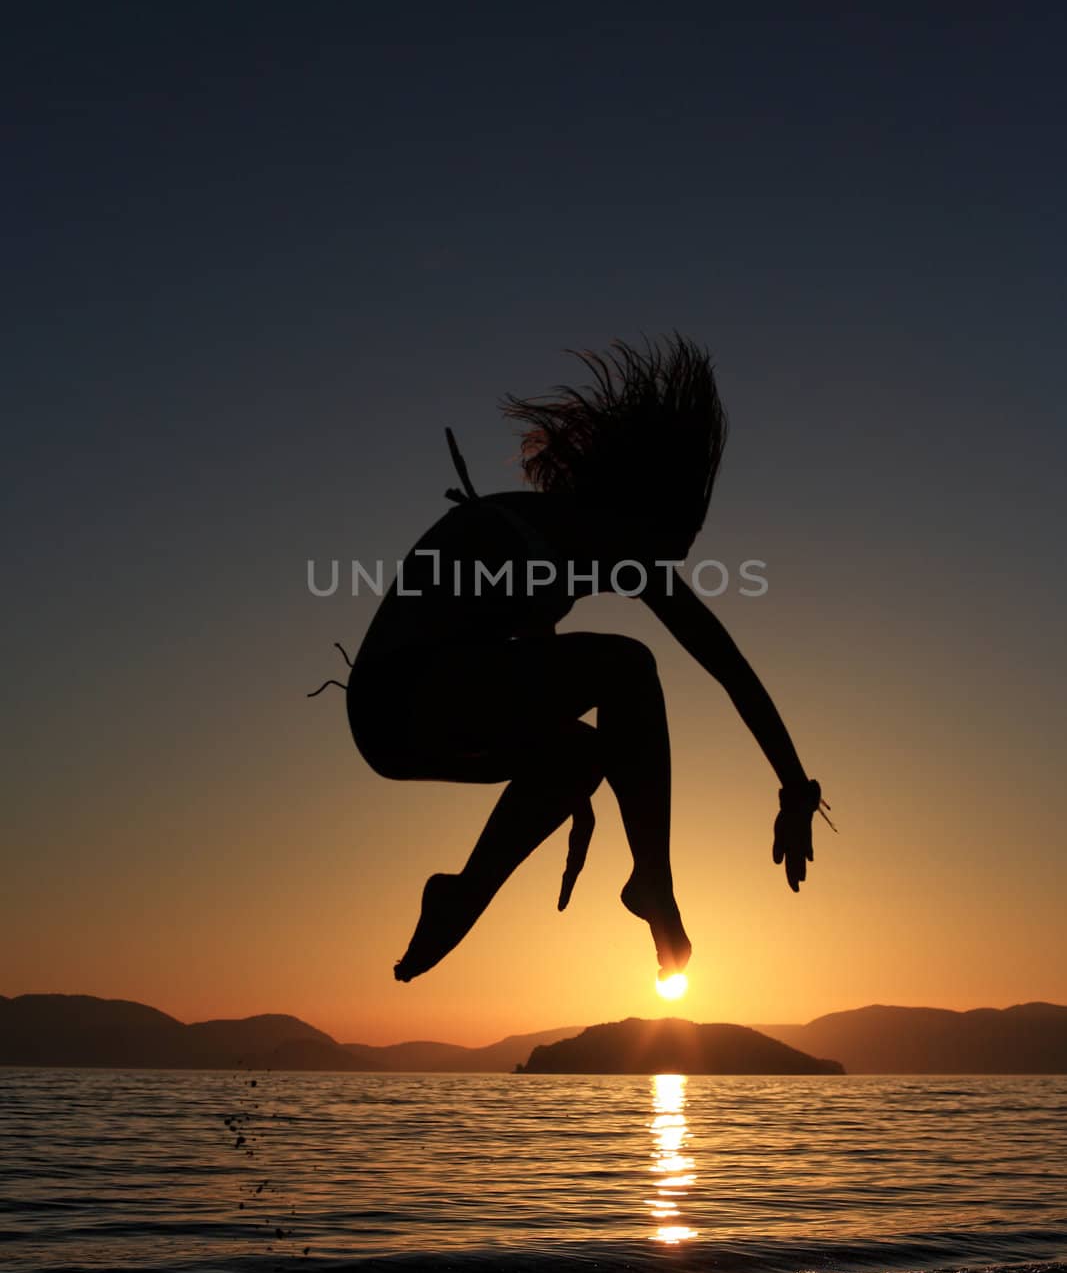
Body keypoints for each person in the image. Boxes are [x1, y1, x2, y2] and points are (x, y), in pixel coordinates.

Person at [321, 335, 829, 984]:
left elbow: (721, 661)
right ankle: (651, 882)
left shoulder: (574, 544)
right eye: (678, 534)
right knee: (625, 665)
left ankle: (464, 895)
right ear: (638, 512)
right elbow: (487, 642)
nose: (675, 561)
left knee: (585, 753)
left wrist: (792, 788)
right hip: (397, 699)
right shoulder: (512, 530)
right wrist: (789, 790)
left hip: (423, 717)